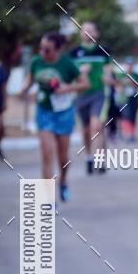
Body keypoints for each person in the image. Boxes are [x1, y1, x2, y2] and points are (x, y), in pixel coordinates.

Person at [20, 32, 89, 201]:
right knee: (46, 154)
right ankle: (48, 197)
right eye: (41, 48)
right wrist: (24, 90)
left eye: (47, 50)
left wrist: (67, 88)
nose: (42, 52)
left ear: (58, 50)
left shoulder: (67, 63)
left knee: (63, 158)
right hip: (44, 111)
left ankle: (63, 181)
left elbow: (85, 84)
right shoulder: (37, 61)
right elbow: (30, 81)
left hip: (64, 112)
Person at [70, 21, 111, 174]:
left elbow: (108, 71)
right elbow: (70, 75)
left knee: (97, 126)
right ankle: (89, 157)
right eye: (84, 30)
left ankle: (100, 161)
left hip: (99, 93)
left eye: (91, 30)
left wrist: (107, 77)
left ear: (96, 33)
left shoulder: (103, 51)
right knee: (86, 130)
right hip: (80, 95)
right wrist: (81, 71)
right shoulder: (74, 52)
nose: (87, 32)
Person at [110, 58, 138, 139]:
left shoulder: (136, 75)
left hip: (134, 98)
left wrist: (130, 81)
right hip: (125, 99)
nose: (129, 66)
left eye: (131, 65)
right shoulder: (123, 75)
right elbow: (118, 84)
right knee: (126, 116)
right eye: (128, 65)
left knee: (133, 116)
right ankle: (127, 133)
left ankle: (132, 134)